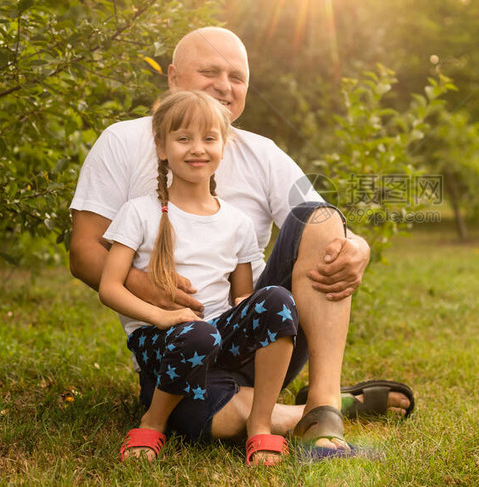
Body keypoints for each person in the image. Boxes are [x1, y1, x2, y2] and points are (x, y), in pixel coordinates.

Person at [69, 27, 413, 454]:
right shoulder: (123, 141)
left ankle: (323, 405)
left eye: (237, 76)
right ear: (173, 78)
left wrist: (357, 245)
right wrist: (150, 290)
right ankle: (334, 407)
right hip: (179, 345)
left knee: (320, 217)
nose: (224, 86)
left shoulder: (261, 152)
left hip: (255, 336)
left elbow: (321, 224)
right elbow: (84, 250)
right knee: (221, 421)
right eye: (209, 71)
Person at [99, 90, 295, 465]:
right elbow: (109, 288)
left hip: (217, 333)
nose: (197, 149)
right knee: (199, 333)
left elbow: (242, 296)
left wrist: (249, 313)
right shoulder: (138, 213)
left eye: (209, 138)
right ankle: (152, 423)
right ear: (162, 147)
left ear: (224, 147)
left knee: (276, 300)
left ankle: (260, 425)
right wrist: (163, 317)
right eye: (183, 138)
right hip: (159, 339)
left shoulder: (237, 222)